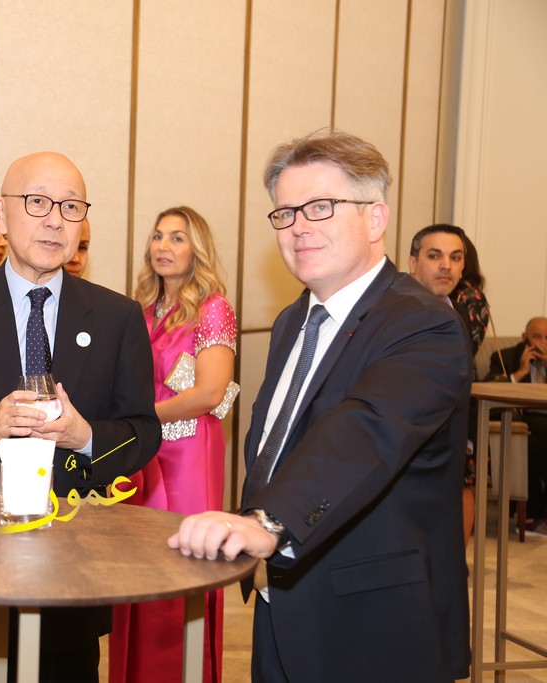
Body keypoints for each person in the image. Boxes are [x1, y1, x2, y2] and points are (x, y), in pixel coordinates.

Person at [168, 130, 471, 683]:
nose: (299, 226)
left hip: (373, 622)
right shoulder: (293, 320)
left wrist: (268, 521)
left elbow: (366, 431)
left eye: (321, 207)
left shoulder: (423, 323)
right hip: (282, 599)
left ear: (375, 219)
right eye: (285, 213)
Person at [0, 151, 161, 683]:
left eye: (71, 207)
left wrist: (84, 436)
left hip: (72, 572)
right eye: (37, 202)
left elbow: (142, 433)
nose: (54, 220)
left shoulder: (116, 317)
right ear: (1, 213)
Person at [111, 206, 236, 683]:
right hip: (144, 451)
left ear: (196, 249)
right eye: (158, 236)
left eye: (178, 238)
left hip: (188, 453)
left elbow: (211, 393)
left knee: (182, 563)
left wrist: (138, 420)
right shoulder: (142, 311)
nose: (163, 246)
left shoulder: (213, 308)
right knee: (139, 564)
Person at [407, 223, 479, 543]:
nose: (446, 265)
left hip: (450, 442)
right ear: (413, 263)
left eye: (455, 257)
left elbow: (465, 379)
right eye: (435, 256)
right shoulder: (390, 311)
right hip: (405, 446)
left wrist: (467, 439)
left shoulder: (460, 312)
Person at [488, 316, 547, 534]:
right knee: (535, 442)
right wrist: (520, 372)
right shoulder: (504, 357)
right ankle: (535, 514)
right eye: (537, 337)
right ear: (524, 338)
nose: (542, 343)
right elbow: (488, 388)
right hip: (522, 420)